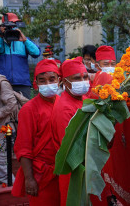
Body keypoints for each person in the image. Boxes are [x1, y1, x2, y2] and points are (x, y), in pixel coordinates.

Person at [12, 60, 61, 205]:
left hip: (63, 172)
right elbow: (23, 148)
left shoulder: (63, 103)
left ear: (59, 80)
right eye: (42, 80)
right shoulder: (29, 109)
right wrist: (29, 178)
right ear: (36, 83)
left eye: (52, 79)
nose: (48, 83)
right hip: (41, 174)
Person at [51, 57, 89, 206]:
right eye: (77, 78)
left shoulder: (83, 98)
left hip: (86, 169)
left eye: (85, 77)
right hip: (74, 173)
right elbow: (72, 149)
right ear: (65, 82)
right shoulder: (65, 108)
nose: (83, 81)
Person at [0, 13, 41, 99]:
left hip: (22, 84)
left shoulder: (23, 40)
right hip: (2, 84)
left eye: (14, 25)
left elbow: (36, 53)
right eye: (9, 26)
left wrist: (25, 40)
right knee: (3, 111)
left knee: (24, 110)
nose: (12, 28)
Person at [0, 72, 18, 184]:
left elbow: (12, 104)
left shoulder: (1, 82)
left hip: (3, 128)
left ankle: (12, 195)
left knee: (1, 166)